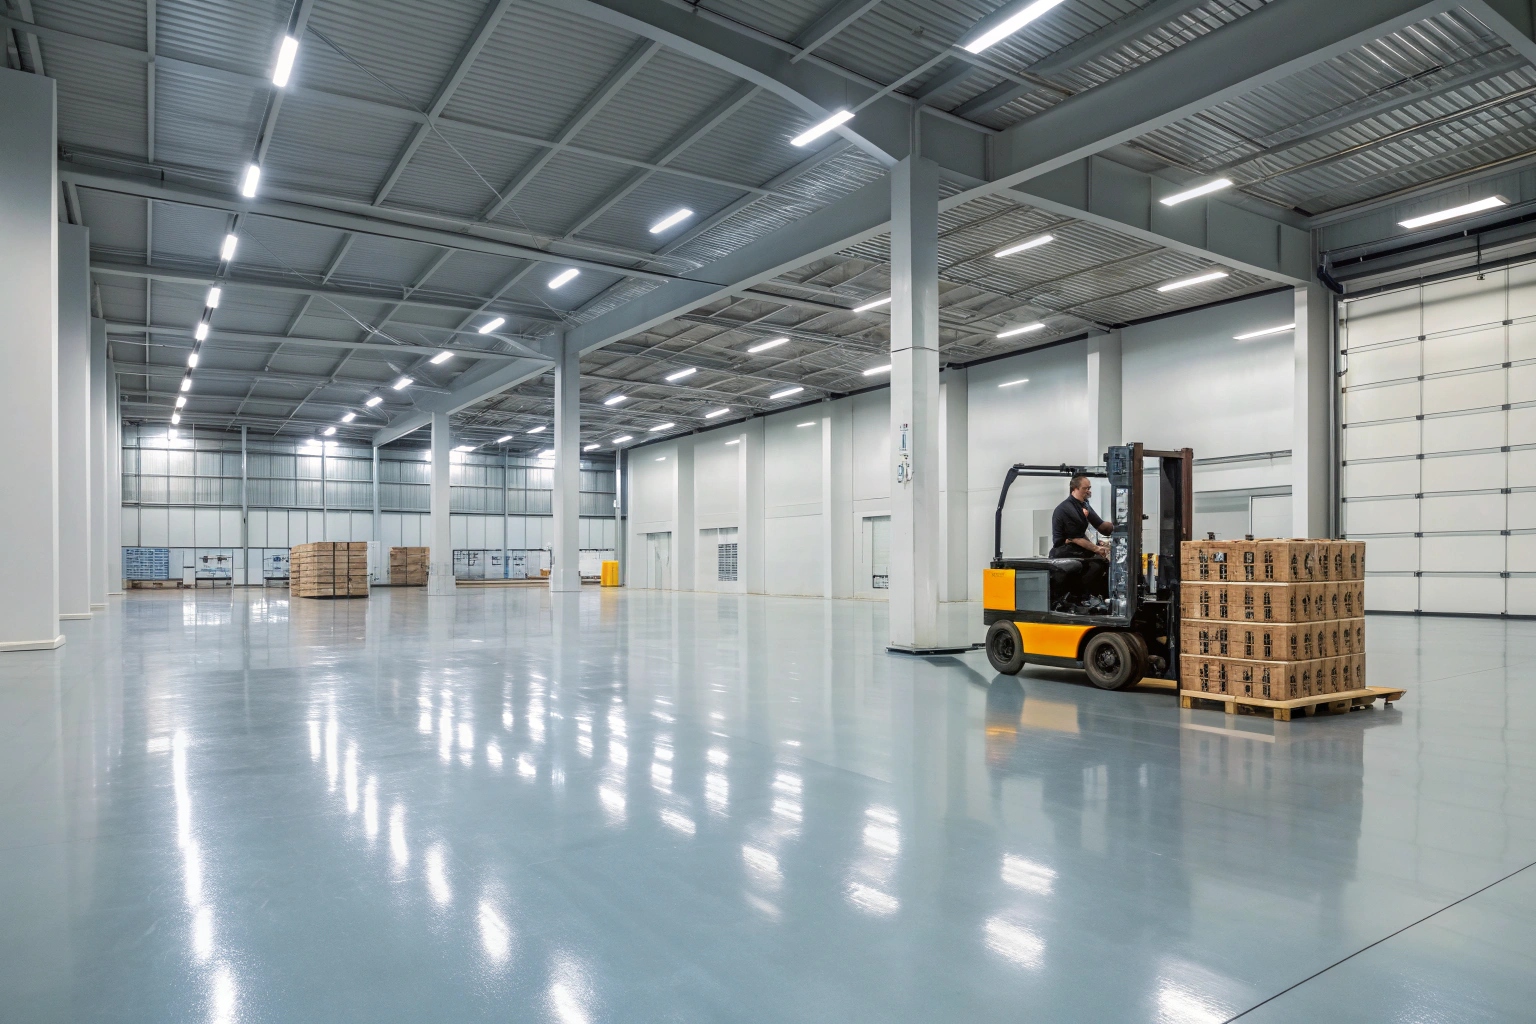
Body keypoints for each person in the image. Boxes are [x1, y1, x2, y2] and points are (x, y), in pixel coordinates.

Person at [1050, 474, 1116, 609]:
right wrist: (1097, 549)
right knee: (1097, 564)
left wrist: (1121, 526)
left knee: (1103, 562)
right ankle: (1082, 597)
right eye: (1086, 488)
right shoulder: (1067, 509)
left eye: (1089, 488)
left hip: (1075, 546)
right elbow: (1075, 538)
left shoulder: (1084, 505)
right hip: (1063, 549)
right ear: (1075, 489)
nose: (1089, 491)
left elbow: (1102, 526)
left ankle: (1098, 597)